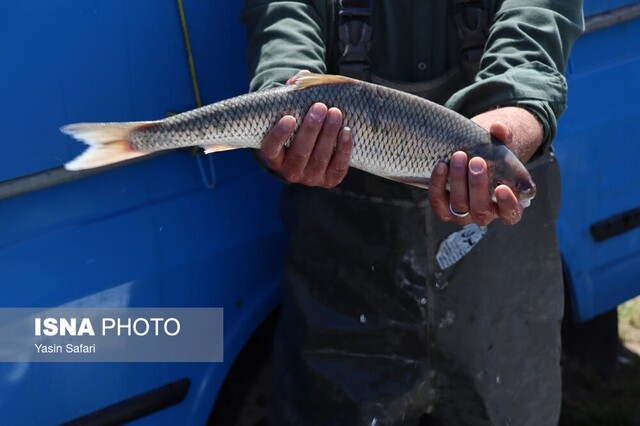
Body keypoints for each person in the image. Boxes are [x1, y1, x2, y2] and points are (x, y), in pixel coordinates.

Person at [241, 1, 584, 425]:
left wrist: (518, 109)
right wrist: (284, 102)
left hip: (499, 314)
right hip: (343, 297)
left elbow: (537, 19)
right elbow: (285, 16)